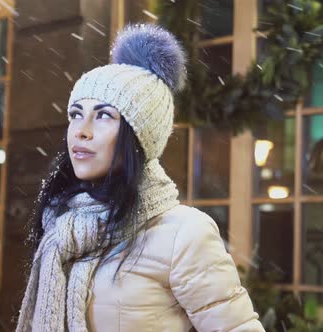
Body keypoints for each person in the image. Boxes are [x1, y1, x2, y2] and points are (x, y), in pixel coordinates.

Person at [16, 24, 265, 332]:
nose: (81, 130)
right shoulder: (61, 227)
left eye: (104, 115)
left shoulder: (183, 234)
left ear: (139, 136)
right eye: (76, 114)